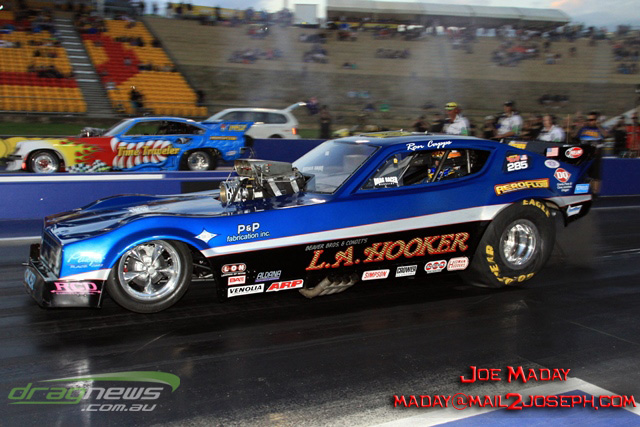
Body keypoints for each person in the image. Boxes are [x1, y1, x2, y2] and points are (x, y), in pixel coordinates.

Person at [575, 111, 607, 195]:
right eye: (588, 120)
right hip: (584, 154)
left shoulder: (599, 129)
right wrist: (579, 126)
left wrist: (599, 125)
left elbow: (606, 135)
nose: (590, 121)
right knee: (585, 174)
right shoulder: (583, 129)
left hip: (596, 154)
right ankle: (586, 192)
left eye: (592, 120)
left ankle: (595, 193)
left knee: (595, 174)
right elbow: (574, 136)